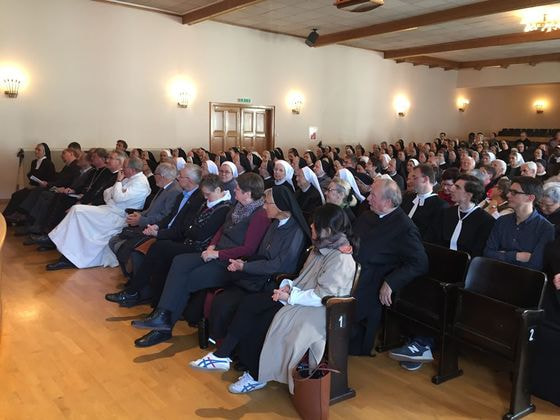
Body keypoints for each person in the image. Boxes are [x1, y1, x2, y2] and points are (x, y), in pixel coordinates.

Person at [189, 204, 357, 395]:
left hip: (318, 311)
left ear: (326, 229)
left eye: (315, 224)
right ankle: (223, 354)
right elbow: (303, 278)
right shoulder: (321, 247)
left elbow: (324, 295)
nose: (310, 226)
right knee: (250, 303)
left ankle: (256, 375)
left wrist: (289, 295)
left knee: (264, 321)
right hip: (300, 300)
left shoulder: (342, 258)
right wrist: (288, 287)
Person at [128, 173, 270, 340]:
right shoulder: (238, 206)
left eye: (238, 189)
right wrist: (212, 246)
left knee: (191, 277)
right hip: (216, 253)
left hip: (231, 262)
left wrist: (217, 253)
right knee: (179, 261)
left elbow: (249, 248)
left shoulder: (259, 214)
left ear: (248, 193)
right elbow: (221, 230)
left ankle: (164, 326)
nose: (234, 190)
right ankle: (161, 315)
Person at [200, 186, 310, 346]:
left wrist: (245, 267)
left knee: (239, 304)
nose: (264, 206)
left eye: (267, 203)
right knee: (223, 301)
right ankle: (224, 344)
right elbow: (261, 253)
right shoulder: (275, 223)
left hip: (273, 282)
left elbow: (277, 265)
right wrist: (243, 263)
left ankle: (231, 349)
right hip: (256, 275)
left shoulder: (296, 232)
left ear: (280, 205)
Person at [351, 179, 428, 356]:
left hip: (372, 279)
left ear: (387, 202)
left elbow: (420, 262)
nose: (368, 198)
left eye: (373, 195)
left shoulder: (405, 227)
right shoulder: (367, 215)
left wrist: (391, 282)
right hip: (350, 269)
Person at [45, 156, 151, 270]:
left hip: (119, 216)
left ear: (132, 169)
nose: (122, 169)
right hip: (110, 209)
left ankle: (58, 244)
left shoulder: (140, 183)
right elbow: (107, 194)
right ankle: (66, 253)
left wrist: (118, 183)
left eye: (124, 167)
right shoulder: (129, 178)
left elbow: (118, 197)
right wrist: (117, 191)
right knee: (77, 210)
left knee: (78, 210)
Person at [107, 163, 182, 274]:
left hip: (155, 228)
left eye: (155, 174)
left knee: (119, 244)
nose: (154, 177)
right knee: (114, 241)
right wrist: (139, 214)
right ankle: (129, 275)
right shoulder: (165, 188)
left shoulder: (174, 191)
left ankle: (131, 276)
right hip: (147, 222)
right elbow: (152, 208)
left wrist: (141, 220)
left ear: (161, 176)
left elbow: (165, 216)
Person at [484, 176, 555, 271]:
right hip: (494, 272)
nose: (508, 195)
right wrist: (517, 256)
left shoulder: (546, 228)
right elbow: (487, 253)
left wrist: (502, 254)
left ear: (530, 198)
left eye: (514, 193)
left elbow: (535, 264)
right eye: (509, 191)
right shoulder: (502, 221)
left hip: (523, 280)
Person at [436, 174, 495, 257]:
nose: (452, 189)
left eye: (457, 187)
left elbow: (478, 252)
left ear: (468, 195)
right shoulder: (446, 212)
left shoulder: (486, 221)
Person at [3, 143, 56, 222]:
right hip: (32, 187)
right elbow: (32, 175)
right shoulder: (34, 162)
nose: (36, 151)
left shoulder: (49, 164)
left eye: (38, 150)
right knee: (15, 195)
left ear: (44, 152)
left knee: (20, 195)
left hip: (41, 189)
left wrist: (40, 183)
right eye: (36, 149)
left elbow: (51, 179)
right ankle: (6, 217)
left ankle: (10, 217)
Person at [401, 164, 448, 241]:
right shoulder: (407, 198)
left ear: (425, 179)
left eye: (414, 178)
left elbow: (432, 236)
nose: (410, 181)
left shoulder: (440, 206)